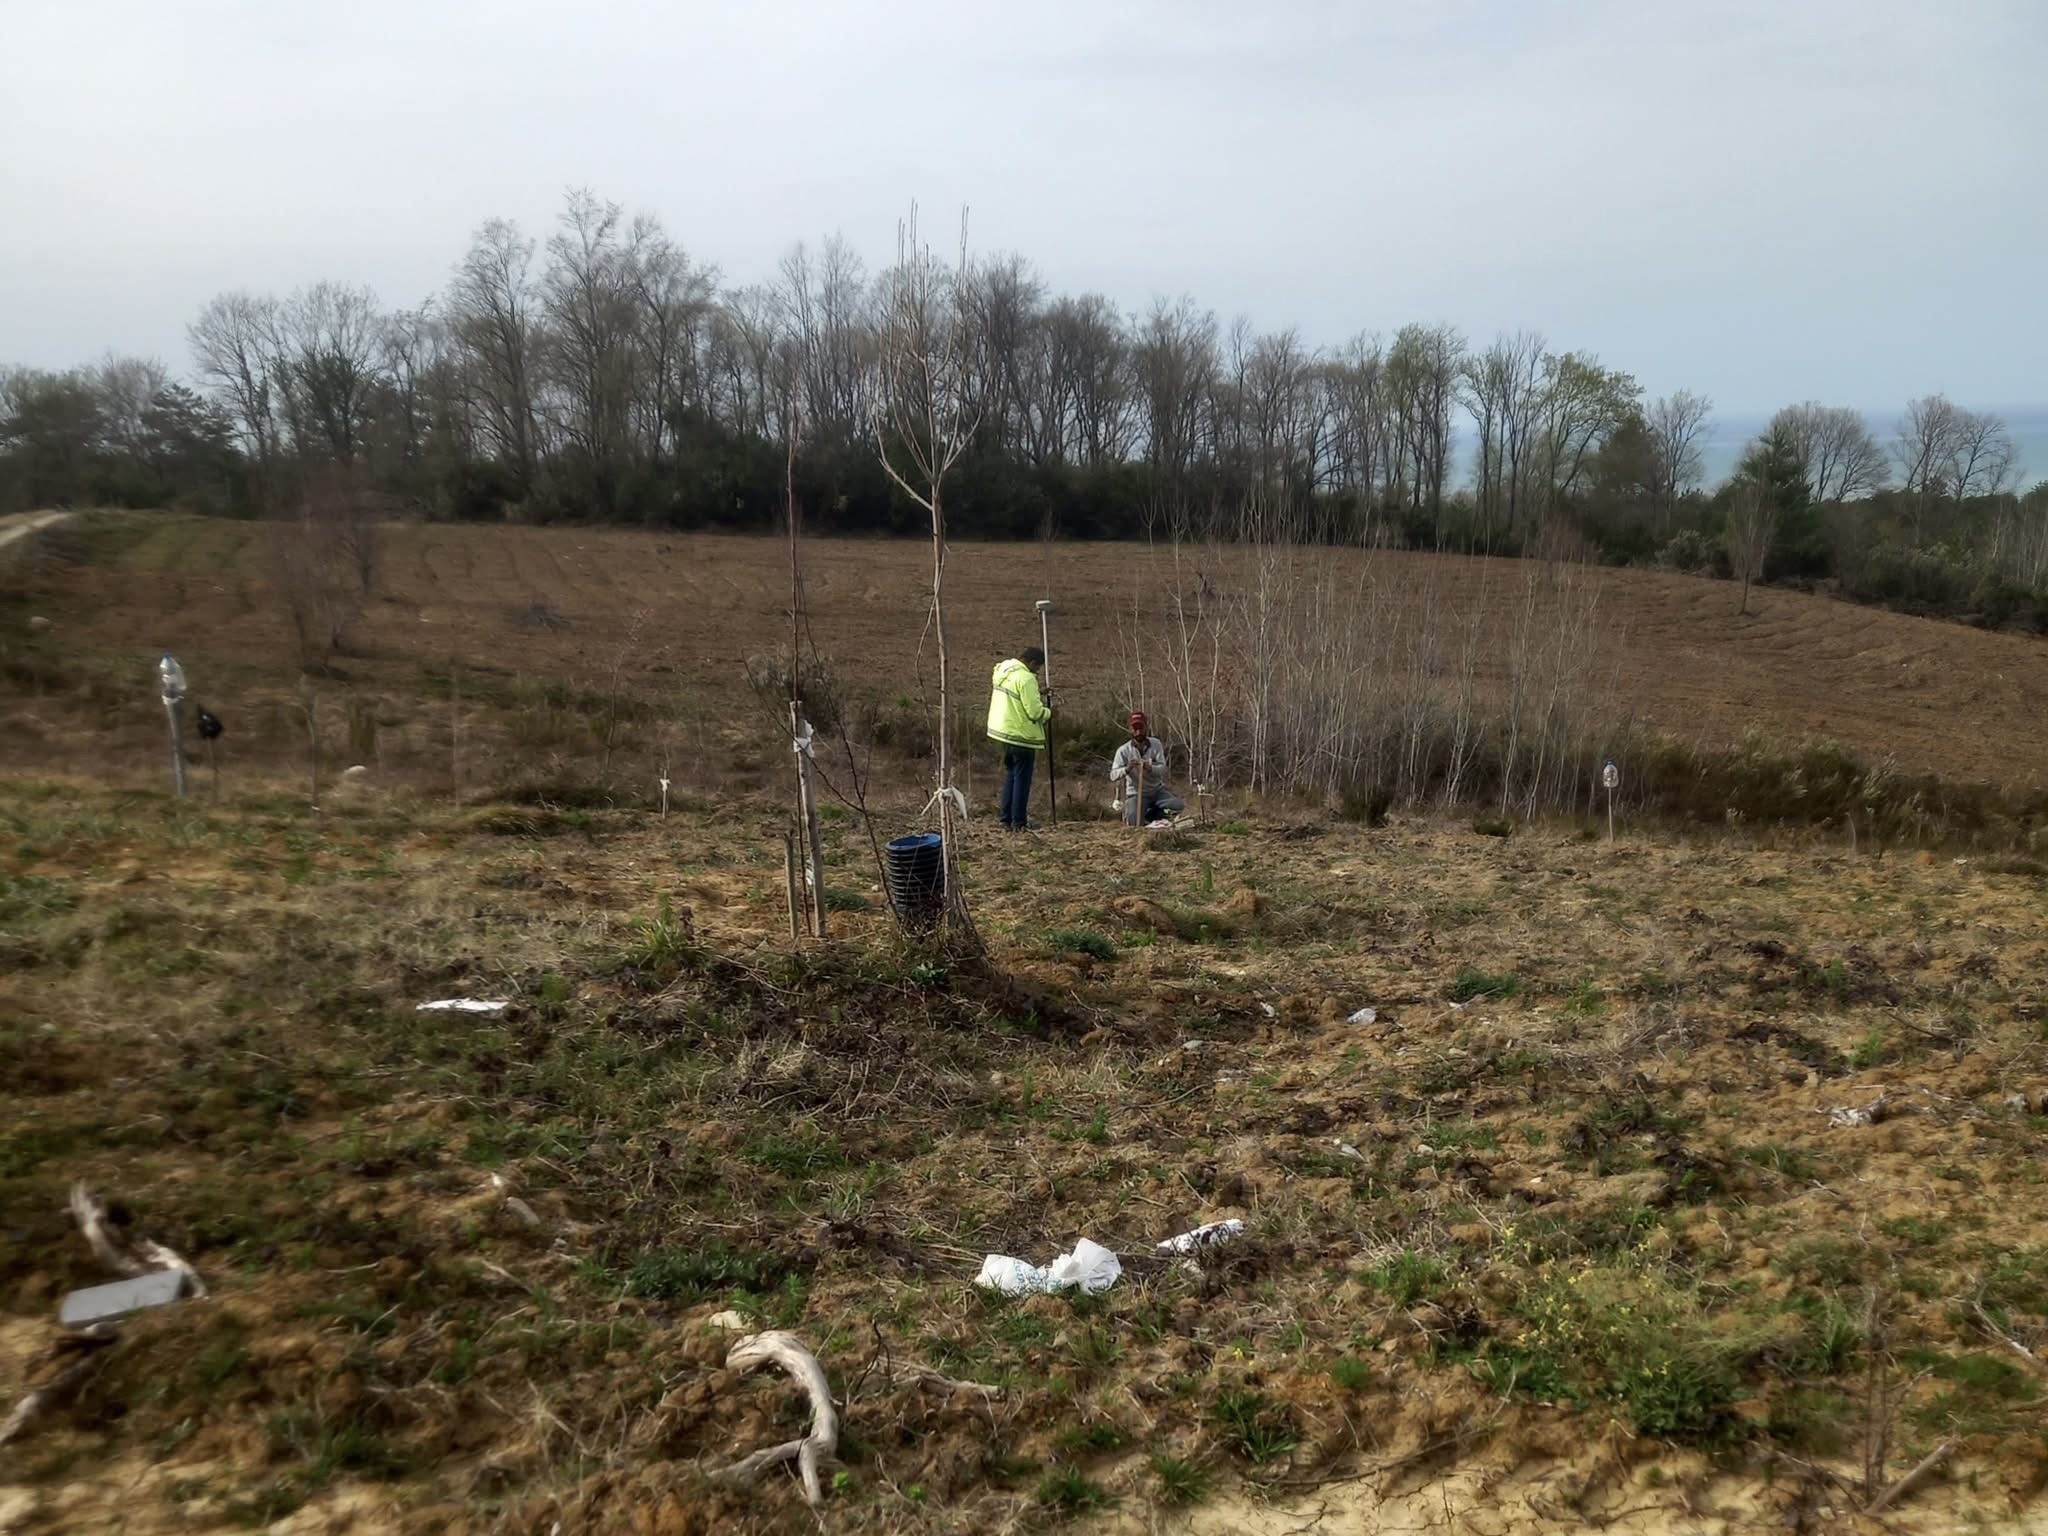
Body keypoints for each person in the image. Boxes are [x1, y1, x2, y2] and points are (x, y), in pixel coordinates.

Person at [987, 645, 1051, 832]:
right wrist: (1050, 713)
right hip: (1020, 736)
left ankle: (1006, 819)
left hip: (1002, 733)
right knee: (1022, 780)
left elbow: (1017, 696)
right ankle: (1019, 823)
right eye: (1037, 667)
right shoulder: (1026, 678)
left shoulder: (1005, 670)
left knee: (1011, 776)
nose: (1037, 672)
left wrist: (1037, 693)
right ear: (1031, 663)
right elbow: (1034, 712)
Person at [1111, 711, 1185, 826]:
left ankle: (1152, 816)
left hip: (1157, 791)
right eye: (1135, 728)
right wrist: (1127, 769)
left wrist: (1150, 768)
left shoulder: (1156, 744)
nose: (1139, 732)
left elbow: (1163, 769)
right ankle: (1139, 815)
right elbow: (1113, 775)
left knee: (1177, 806)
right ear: (1130, 729)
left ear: (1146, 727)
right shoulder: (1123, 751)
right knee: (1133, 821)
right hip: (1136, 793)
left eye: (1141, 728)